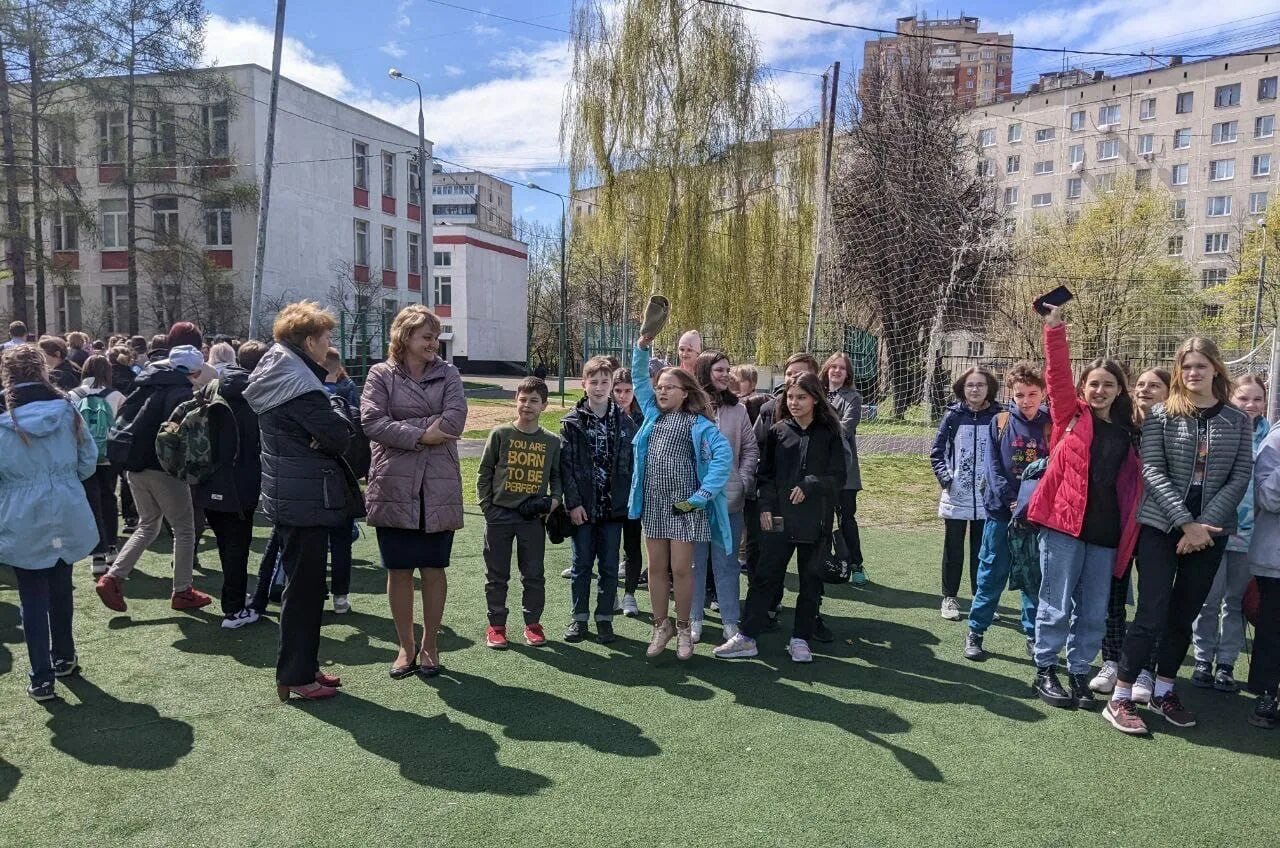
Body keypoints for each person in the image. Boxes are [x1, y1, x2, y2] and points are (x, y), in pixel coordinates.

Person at [1106, 337, 1253, 734]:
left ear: (1215, 368)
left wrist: (1204, 525)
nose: (1192, 373)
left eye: (1200, 365)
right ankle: (1120, 696)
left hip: (1211, 533)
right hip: (1162, 527)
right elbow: (1153, 471)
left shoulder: (1237, 420)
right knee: (1151, 613)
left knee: (1183, 614)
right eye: (1186, 366)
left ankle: (1164, 689)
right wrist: (1185, 523)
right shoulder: (1161, 415)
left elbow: (1240, 475)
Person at [244, 302, 364, 702]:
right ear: (309, 341)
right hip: (304, 497)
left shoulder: (281, 370)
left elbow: (327, 433)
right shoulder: (297, 382)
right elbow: (339, 435)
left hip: (293, 492)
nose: (329, 344)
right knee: (304, 590)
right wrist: (337, 407)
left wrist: (327, 421)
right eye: (326, 337)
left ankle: (305, 666)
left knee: (306, 586)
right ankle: (295, 674)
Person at [1025, 306, 1142, 712]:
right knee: (1056, 603)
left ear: (1119, 390)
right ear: (1084, 387)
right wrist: (1054, 330)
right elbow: (1056, 375)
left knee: (1093, 611)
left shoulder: (1129, 431)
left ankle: (1079, 671)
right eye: (1094, 384)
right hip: (1064, 525)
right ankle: (1045, 668)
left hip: (1106, 533)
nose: (1100, 390)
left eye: (1109, 384)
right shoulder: (1070, 416)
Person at [361, 304, 466, 680]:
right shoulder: (380, 374)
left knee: (434, 568)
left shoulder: (449, 373)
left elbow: (454, 421)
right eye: (427, 336)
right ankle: (405, 646)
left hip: (438, 487)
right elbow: (372, 421)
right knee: (400, 569)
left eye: (436, 337)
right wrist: (423, 434)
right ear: (404, 337)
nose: (434, 343)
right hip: (394, 485)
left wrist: (402, 428)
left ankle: (430, 645)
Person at [715, 373, 846, 663]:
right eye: (790, 397)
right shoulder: (777, 431)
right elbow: (765, 475)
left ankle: (800, 639)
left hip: (815, 522)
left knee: (810, 581)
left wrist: (810, 484)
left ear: (815, 399)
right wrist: (764, 507)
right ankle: (747, 637)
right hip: (779, 520)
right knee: (765, 577)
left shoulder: (829, 433)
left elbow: (838, 477)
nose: (794, 402)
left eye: (801, 397)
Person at [0, 344, 98, 701]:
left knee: (32, 595)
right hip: (65, 504)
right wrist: (62, 479)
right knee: (60, 586)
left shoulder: (6, 415)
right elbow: (88, 460)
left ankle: (42, 676)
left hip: (21, 511)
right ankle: (64, 657)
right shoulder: (66, 409)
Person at [629, 331, 732, 660]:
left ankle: (684, 628)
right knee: (656, 568)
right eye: (659, 387)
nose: (661, 391)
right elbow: (638, 379)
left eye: (669, 387)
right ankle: (661, 626)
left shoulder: (698, 424)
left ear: (685, 392)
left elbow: (723, 457)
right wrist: (642, 346)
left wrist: (702, 495)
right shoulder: (652, 413)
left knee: (682, 569)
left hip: (684, 507)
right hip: (654, 505)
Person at [94, 345, 212, 613]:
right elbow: (181, 435)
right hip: (162, 467)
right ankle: (182, 590)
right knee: (184, 529)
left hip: (132, 464)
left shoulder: (145, 383)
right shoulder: (180, 392)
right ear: (195, 371)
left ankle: (113, 577)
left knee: (148, 525)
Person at [1090, 367, 1171, 697]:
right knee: (1112, 596)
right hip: (1120, 523)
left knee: (1152, 601)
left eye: (1155, 386)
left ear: (1169, 392)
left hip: (1158, 525)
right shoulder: (1121, 424)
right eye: (1141, 384)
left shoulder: (1175, 429)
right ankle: (1112, 660)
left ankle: (1145, 669)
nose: (1145, 390)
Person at [964, 362, 1052, 661]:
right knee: (991, 574)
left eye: (1032, 394)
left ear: (1043, 393)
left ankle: (1032, 634)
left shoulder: (1051, 424)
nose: (1026, 401)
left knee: (1033, 578)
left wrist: (1032, 503)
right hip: (1001, 513)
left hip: (1035, 517)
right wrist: (1012, 500)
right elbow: (992, 467)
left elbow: (1054, 469)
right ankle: (976, 630)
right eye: (1019, 395)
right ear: (1010, 394)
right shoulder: (1000, 422)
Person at [1191, 373, 1269, 692]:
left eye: (1257, 399)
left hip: (1251, 537)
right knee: (1208, 600)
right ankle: (1202, 660)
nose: (1250, 404)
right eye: (1243, 398)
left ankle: (1226, 664)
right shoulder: (1217, 430)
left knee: (1234, 602)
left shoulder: (1271, 439)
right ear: (1230, 398)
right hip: (1214, 529)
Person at [478, 377, 561, 650]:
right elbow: (485, 471)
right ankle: (496, 626)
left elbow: (556, 476)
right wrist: (487, 507)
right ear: (515, 401)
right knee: (496, 575)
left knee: (533, 574)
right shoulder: (500, 433)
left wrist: (554, 500)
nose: (527, 405)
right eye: (523, 399)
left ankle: (533, 624)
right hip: (499, 516)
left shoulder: (551, 441)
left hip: (531, 519)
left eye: (534, 400)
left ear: (544, 405)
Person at [559, 355, 637, 643]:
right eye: (594, 382)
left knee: (608, 566)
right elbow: (566, 466)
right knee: (581, 565)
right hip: (584, 508)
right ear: (584, 384)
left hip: (613, 509)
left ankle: (604, 619)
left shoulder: (624, 422)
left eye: (605, 382)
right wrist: (573, 503)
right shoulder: (572, 422)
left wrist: (626, 501)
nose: (600, 387)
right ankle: (578, 619)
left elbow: (630, 465)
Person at [193, 340, 266, 629]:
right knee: (237, 548)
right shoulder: (256, 397)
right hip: (242, 482)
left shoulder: (211, 389)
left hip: (208, 479)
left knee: (226, 545)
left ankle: (234, 600)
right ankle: (234, 610)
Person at [690, 350, 756, 644]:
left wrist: (743, 479)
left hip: (729, 501)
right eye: (719, 369)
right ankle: (694, 618)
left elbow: (750, 449)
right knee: (694, 563)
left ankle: (730, 621)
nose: (725, 375)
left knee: (727, 563)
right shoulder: (688, 409)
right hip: (694, 502)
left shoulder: (737, 410)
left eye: (727, 370)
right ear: (704, 371)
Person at [930, 367, 1000, 620]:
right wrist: (947, 480)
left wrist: (997, 485)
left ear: (989, 388)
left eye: (980, 385)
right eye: (970, 385)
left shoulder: (999, 416)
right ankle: (949, 598)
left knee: (983, 550)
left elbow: (1004, 452)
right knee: (954, 549)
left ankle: (980, 600)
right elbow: (937, 452)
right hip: (956, 495)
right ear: (962, 388)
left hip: (987, 497)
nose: (975, 389)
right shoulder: (953, 416)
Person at [68, 355, 125, 576]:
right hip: (108, 455)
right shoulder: (116, 395)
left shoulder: (72, 395)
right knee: (108, 498)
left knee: (91, 502)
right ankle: (112, 547)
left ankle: (97, 554)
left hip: (83, 456)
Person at [821, 352, 867, 585]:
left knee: (846, 518)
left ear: (848, 373)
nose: (837, 371)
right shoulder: (817, 394)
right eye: (833, 367)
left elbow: (845, 429)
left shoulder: (853, 398)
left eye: (842, 368)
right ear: (826, 370)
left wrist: (820, 428)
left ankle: (856, 564)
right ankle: (825, 563)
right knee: (823, 519)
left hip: (845, 469)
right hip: (820, 469)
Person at [1246, 421, 1280, 729]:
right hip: (1276, 560)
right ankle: (1268, 693)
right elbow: (1267, 497)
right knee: (1272, 628)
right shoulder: (1276, 439)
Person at [612, 368, 647, 615]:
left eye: (627, 390)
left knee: (632, 545)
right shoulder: (605, 416)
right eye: (618, 390)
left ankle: (630, 595)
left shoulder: (643, 418)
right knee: (609, 547)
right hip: (609, 494)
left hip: (634, 493)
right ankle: (611, 593)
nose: (622, 396)